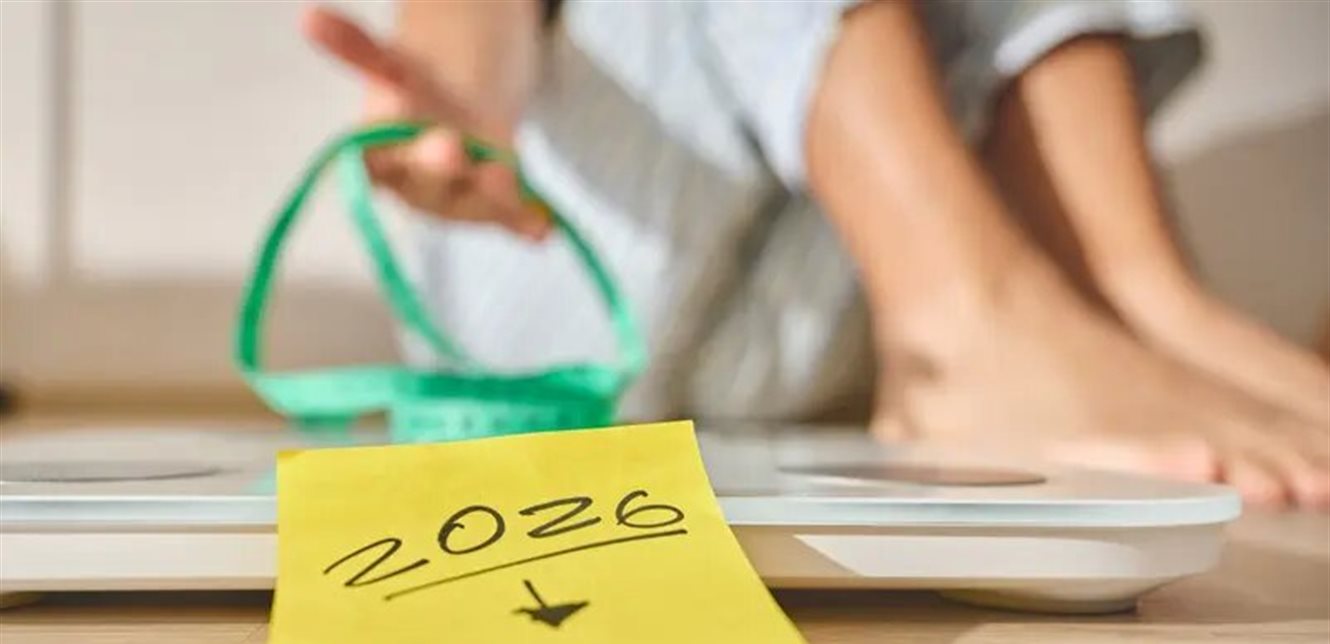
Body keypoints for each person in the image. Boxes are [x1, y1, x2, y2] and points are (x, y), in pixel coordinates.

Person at [300, 1, 1329, 509]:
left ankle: (1138, 296)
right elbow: (466, 32)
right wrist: (456, 103)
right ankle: (965, 327)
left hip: (819, 312)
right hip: (562, 307)